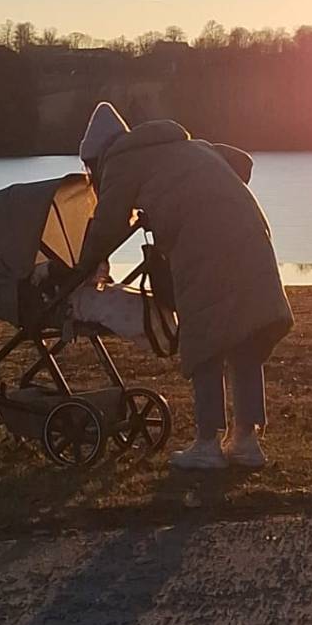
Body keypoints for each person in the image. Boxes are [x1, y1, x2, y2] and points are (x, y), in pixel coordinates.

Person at [76, 102, 293, 471]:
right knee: (245, 336)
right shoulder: (186, 146)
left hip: (205, 242)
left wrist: (82, 267)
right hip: (251, 233)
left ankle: (207, 443)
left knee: (204, 334)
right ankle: (246, 441)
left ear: (97, 157)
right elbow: (241, 162)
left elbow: (107, 223)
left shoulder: (122, 161)